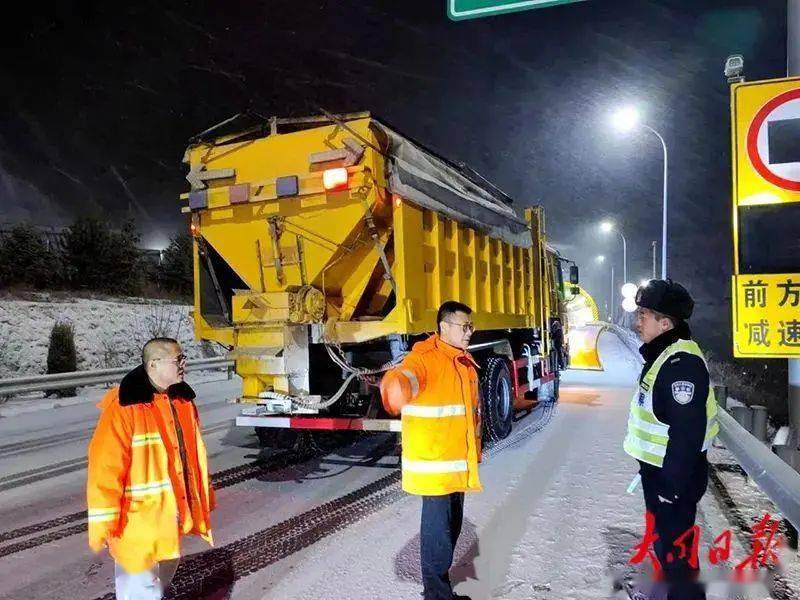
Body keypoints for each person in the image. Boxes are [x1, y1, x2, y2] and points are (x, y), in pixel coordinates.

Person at [87, 338, 216, 600]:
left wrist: (203, 499)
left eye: (184, 358)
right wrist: (104, 522)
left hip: (169, 518)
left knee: (162, 577)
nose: (184, 364)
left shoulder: (182, 402)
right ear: (154, 364)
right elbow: (105, 466)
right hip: (135, 523)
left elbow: (192, 460)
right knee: (140, 591)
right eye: (177, 359)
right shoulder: (124, 406)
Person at [624, 280, 719, 600]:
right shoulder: (664, 354)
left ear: (666, 323)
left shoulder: (681, 364)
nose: (638, 322)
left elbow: (686, 433)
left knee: (675, 550)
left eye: (644, 315)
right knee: (668, 544)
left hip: (673, 475)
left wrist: (670, 487)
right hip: (663, 471)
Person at [380, 301, 482, 600]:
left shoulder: (460, 360)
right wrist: (394, 386)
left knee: (450, 530)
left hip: (454, 466)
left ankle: (440, 591)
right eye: (465, 327)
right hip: (435, 466)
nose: (469, 333)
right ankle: (436, 596)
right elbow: (405, 378)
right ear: (444, 327)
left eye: (471, 327)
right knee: (438, 537)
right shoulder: (425, 358)